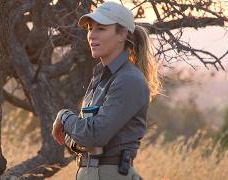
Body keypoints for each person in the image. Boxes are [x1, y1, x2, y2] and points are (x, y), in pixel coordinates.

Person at [52, 1, 161, 180]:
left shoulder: (128, 80)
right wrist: (79, 132)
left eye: (101, 29)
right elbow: (80, 137)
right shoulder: (101, 77)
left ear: (122, 34)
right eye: (89, 28)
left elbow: (93, 135)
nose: (92, 35)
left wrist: (64, 117)